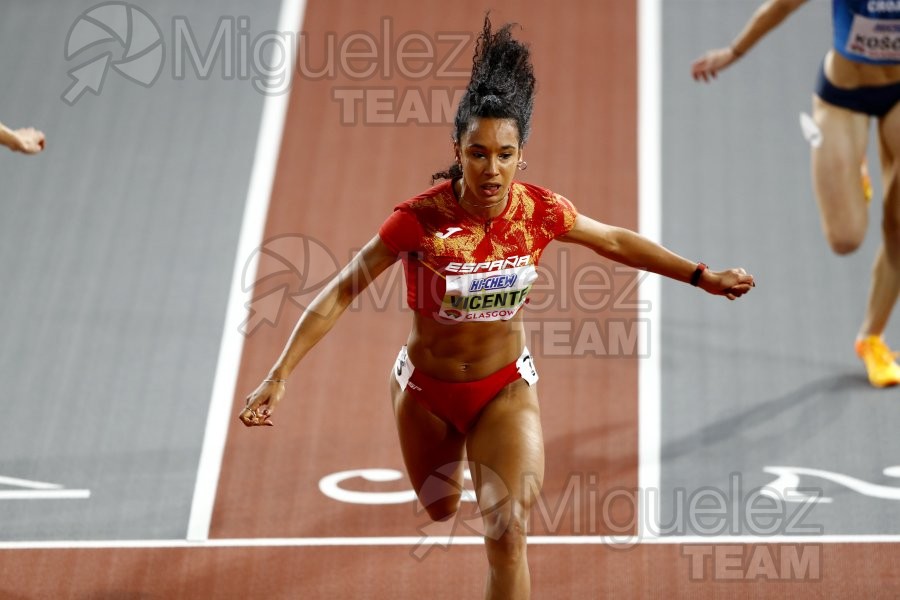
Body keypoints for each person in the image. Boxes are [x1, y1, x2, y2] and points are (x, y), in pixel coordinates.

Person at [241, 16, 755, 599]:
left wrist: (699, 275)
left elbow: (612, 239)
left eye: (504, 154)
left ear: (521, 156)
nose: (491, 169)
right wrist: (278, 375)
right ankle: (448, 458)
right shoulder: (419, 220)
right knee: (439, 510)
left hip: (504, 388)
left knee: (508, 530)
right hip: (426, 393)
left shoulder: (539, 211)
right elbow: (341, 289)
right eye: (478, 153)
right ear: (457, 151)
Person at [691, 0, 900, 388]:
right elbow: (783, 5)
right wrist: (734, 51)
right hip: (846, 95)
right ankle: (852, 162)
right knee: (845, 238)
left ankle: (872, 337)